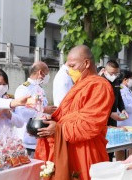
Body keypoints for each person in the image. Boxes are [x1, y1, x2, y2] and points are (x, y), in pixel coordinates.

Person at [35, 45, 115, 180]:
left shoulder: (100, 86)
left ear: (87, 63)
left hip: (86, 151)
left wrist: (58, 129)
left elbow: (90, 125)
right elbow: (65, 114)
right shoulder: (78, 85)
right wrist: (51, 120)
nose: (70, 71)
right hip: (68, 148)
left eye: (72, 66)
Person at [14, 61, 57, 155]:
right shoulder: (24, 89)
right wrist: (43, 109)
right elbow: (21, 112)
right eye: (47, 73)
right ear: (41, 73)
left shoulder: (39, 88)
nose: (47, 76)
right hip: (28, 140)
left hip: (40, 137)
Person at [101, 60, 129, 161]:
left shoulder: (117, 80)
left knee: (112, 145)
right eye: (111, 73)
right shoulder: (100, 82)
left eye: (116, 73)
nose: (114, 75)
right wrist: (110, 114)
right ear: (104, 71)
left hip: (114, 118)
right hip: (102, 120)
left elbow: (119, 97)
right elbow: (98, 104)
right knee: (103, 148)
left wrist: (122, 109)